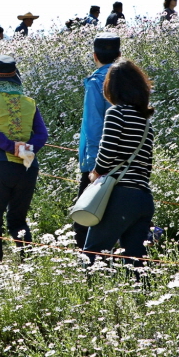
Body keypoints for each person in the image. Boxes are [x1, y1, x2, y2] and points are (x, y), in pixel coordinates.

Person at [0, 55, 48, 261]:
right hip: (27, 167)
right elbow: (42, 135)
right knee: (18, 220)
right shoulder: (29, 103)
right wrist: (26, 149)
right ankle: (28, 265)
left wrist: (10, 147)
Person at [82, 60, 156, 264]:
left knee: (93, 254)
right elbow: (146, 165)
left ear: (112, 88)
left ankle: (91, 295)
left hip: (119, 196)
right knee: (135, 262)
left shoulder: (116, 113)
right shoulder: (146, 122)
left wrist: (95, 173)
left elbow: (106, 153)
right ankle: (140, 295)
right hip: (143, 198)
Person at [76, 33, 120, 247]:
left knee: (84, 219)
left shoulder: (96, 82)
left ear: (95, 56)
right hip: (130, 161)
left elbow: (94, 126)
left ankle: (91, 271)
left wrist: (94, 167)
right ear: (119, 55)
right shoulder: (132, 81)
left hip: (100, 161)